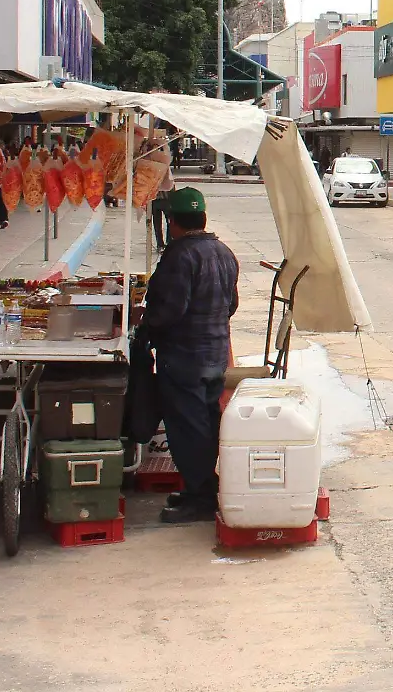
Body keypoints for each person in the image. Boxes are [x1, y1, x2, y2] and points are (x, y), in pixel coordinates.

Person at [138, 187, 240, 524]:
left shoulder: (180, 256)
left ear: (173, 222)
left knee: (187, 428)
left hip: (184, 358)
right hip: (214, 355)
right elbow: (231, 305)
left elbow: (170, 310)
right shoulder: (223, 252)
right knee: (207, 423)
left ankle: (199, 497)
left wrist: (145, 328)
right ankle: (204, 487)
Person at [150, 161, 178, 251]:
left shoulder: (152, 171)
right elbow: (172, 186)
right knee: (167, 223)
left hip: (159, 201)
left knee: (161, 223)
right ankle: (165, 243)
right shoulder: (165, 170)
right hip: (162, 201)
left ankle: (161, 244)